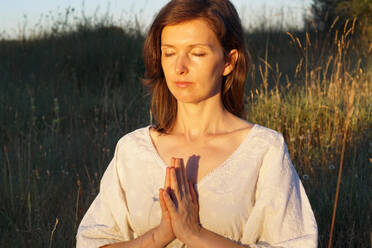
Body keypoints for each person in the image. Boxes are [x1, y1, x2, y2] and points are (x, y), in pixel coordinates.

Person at [76, 0, 318, 247]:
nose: (179, 67)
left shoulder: (264, 150)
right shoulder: (132, 150)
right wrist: (160, 235)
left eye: (197, 53)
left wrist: (194, 233)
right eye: (169, 52)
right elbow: (91, 243)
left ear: (229, 61)